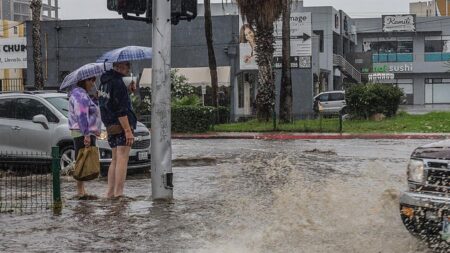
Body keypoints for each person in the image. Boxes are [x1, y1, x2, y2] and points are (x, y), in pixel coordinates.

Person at [98, 61, 137, 199]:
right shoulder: (118, 83)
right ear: (120, 67)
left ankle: (110, 192)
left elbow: (109, 103)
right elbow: (121, 109)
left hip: (110, 126)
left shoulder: (104, 82)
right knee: (122, 159)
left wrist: (128, 92)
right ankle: (119, 193)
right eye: (127, 66)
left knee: (114, 159)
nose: (128, 70)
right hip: (121, 125)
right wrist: (127, 130)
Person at [68, 76, 101, 197]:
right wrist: (86, 134)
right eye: (91, 80)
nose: (93, 83)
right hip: (82, 132)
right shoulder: (80, 95)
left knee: (82, 158)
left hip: (83, 131)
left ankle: (81, 190)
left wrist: (96, 100)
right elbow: (81, 115)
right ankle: (80, 191)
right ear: (84, 81)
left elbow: (91, 110)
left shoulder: (83, 95)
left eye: (94, 80)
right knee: (81, 159)